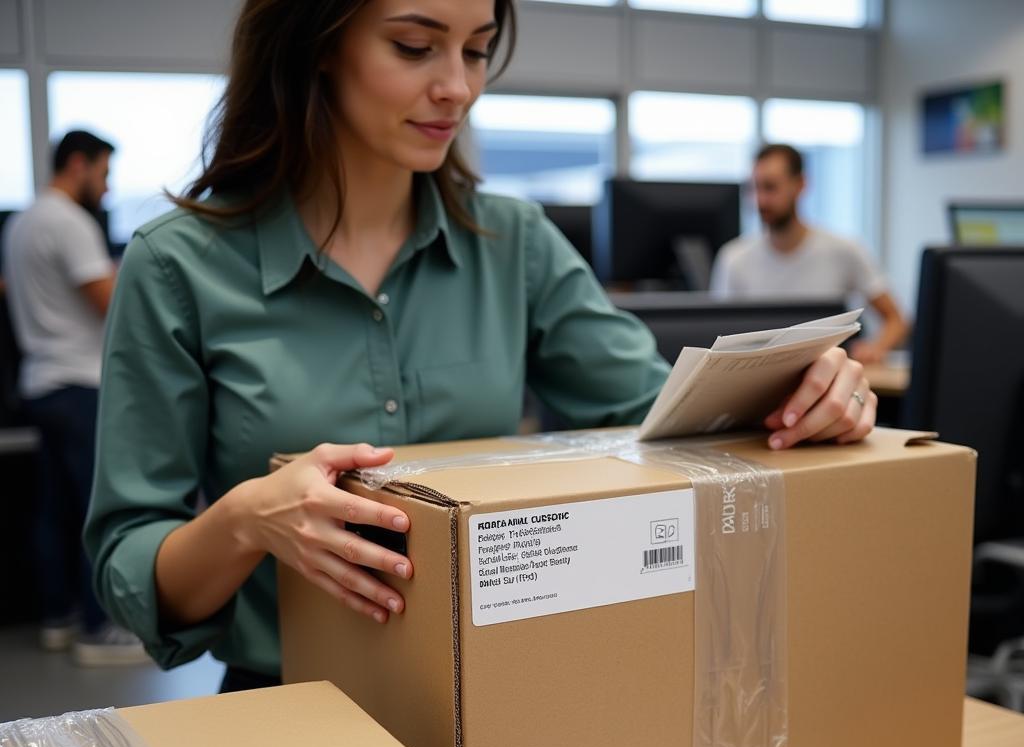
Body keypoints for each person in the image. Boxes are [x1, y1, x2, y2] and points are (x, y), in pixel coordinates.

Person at [84, 0, 876, 694]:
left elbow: (664, 416)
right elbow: (129, 569)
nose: (458, 87)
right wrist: (245, 519)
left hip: (502, 691)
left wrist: (803, 395)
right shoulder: (178, 265)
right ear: (316, 43)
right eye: (415, 46)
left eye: (475, 48)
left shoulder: (514, 242)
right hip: (285, 699)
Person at [3, 130, 147, 665]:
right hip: (79, 385)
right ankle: (101, 627)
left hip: (40, 383)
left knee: (54, 509)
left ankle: (58, 618)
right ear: (79, 164)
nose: (106, 190)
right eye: (104, 174)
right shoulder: (68, 222)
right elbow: (111, 304)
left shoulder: (22, 221)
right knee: (95, 509)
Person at [711, 143, 908, 365]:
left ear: (801, 185)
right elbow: (720, 337)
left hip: (828, 378)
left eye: (771, 187)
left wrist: (875, 348)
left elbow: (896, 320)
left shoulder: (844, 250)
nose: (761, 200)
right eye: (755, 188)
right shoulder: (734, 258)